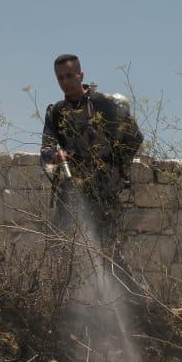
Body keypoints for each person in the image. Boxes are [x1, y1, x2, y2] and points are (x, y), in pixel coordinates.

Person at [40, 53, 144, 267]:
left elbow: (134, 138)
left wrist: (115, 169)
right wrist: (57, 156)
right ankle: (63, 298)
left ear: (81, 75)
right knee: (60, 249)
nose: (65, 82)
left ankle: (130, 300)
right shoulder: (57, 112)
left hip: (104, 191)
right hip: (71, 189)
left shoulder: (105, 104)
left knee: (108, 252)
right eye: (60, 78)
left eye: (70, 75)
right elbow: (46, 150)